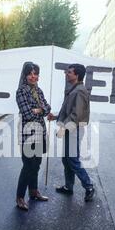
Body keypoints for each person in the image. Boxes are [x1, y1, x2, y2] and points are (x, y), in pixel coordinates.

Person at [48, 64, 95, 202]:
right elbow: (69, 110)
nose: (66, 74)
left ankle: (89, 186)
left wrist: (63, 128)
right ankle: (69, 187)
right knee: (66, 159)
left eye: (69, 72)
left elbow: (76, 114)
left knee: (73, 160)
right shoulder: (74, 88)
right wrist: (56, 117)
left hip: (74, 129)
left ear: (77, 76)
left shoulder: (79, 91)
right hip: (71, 128)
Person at [15, 63, 51, 211]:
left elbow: (48, 108)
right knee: (28, 165)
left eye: (35, 74)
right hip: (28, 134)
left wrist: (38, 110)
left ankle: (34, 191)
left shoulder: (39, 90)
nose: (33, 76)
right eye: (30, 73)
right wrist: (39, 110)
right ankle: (20, 197)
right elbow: (28, 114)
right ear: (25, 75)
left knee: (36, 164)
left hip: (40, 132)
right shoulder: (21, 91)